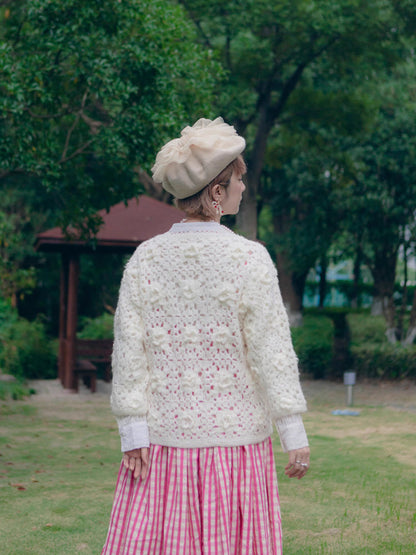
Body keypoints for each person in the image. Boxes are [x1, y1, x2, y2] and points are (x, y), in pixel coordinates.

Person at [101, 117, 310, 555]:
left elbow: (128, 354)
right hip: (235, 450)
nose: (243, 188)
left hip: (161, 446)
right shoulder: (250, 259)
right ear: (217, 192)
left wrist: (132, 432)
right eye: (238, 180)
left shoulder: (145, 259)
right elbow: (271, 351)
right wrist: (292, 431)